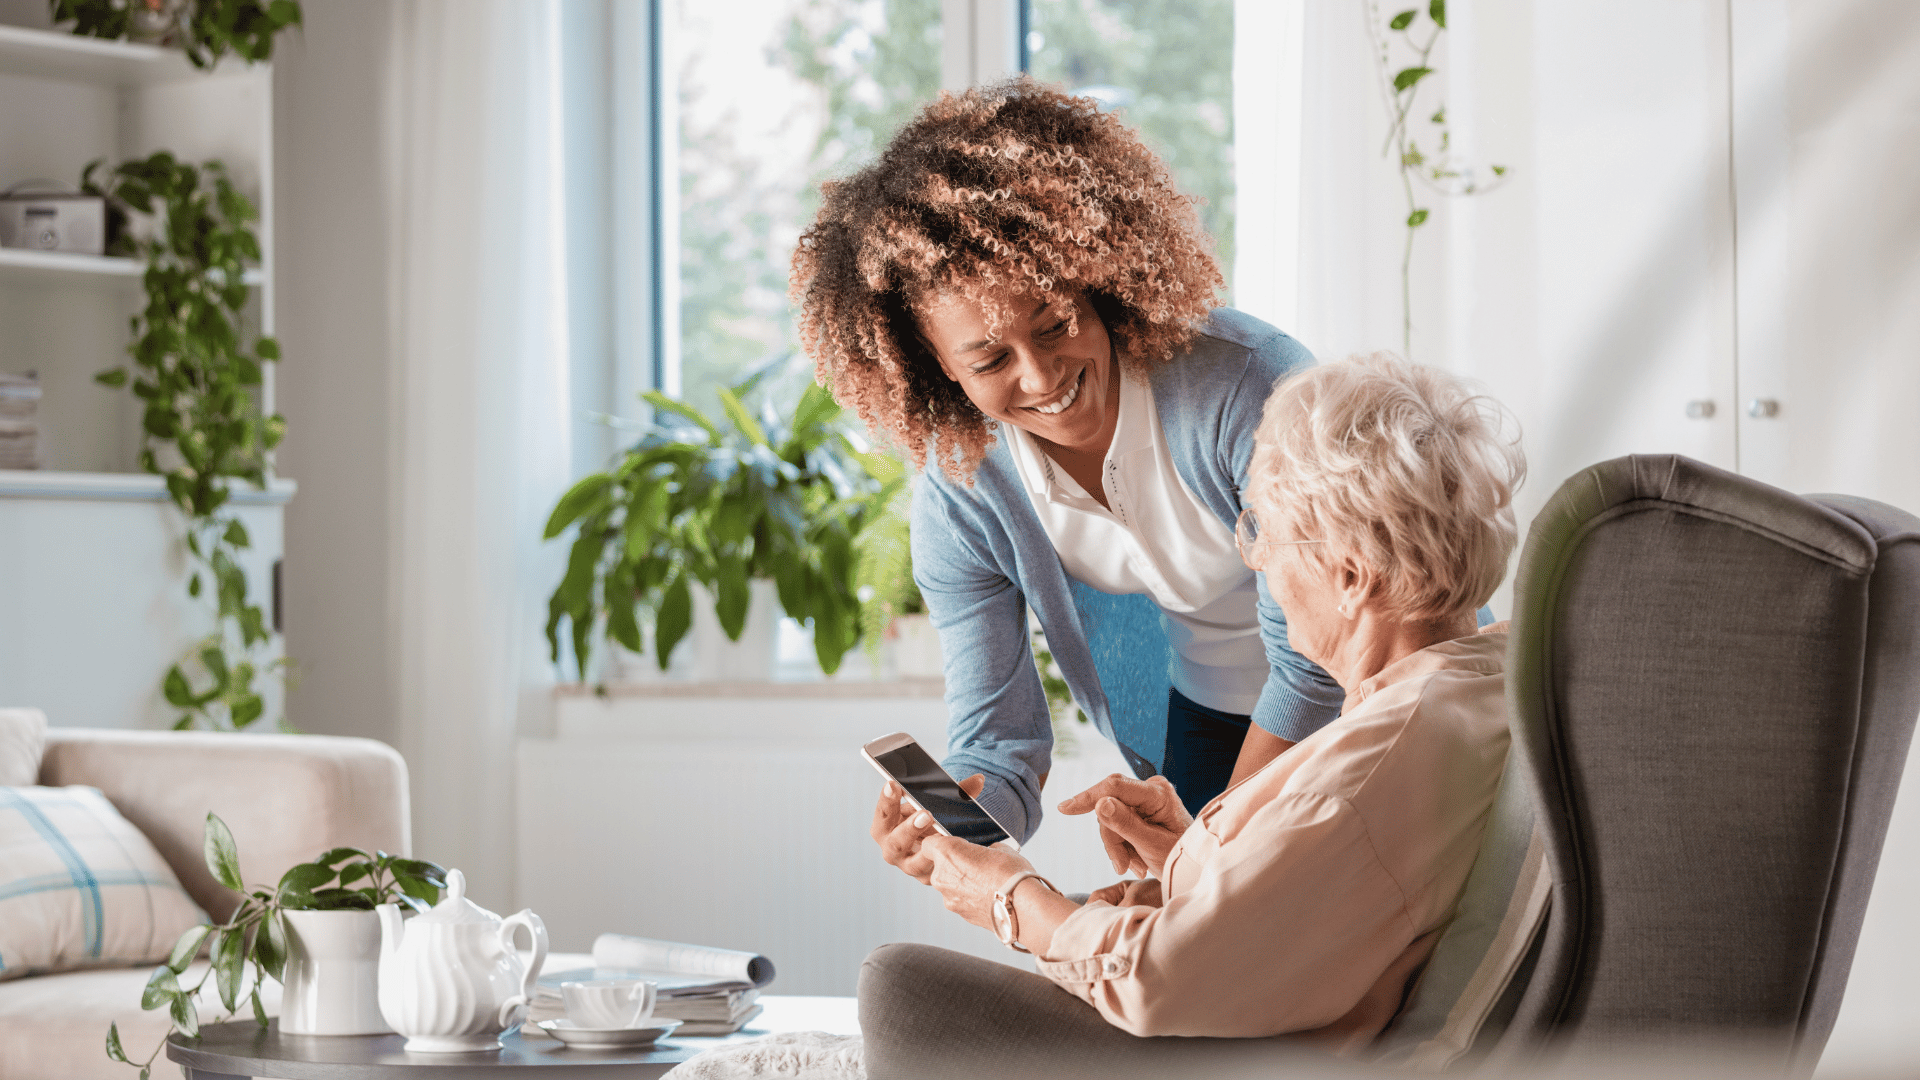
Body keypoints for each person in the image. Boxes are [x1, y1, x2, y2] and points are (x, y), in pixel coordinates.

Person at [858, 353, 1527, 1070]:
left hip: (1256, 1053)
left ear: (1351, 576)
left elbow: (1157, 976)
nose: (1259, 562)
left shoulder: (1362, 776)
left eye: (1264, 534)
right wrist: (1194, 854)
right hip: (1272, 1000)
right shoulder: (1478, 686)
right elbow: (1322, 899)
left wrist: (1008, 897)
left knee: (900, 987)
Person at [791, 77, 1343, 847]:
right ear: (935, 366)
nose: (1042, 376)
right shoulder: (966, 496)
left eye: (1054, 325)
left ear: (1092, 281)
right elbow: (1001, 742)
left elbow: (1322, 653)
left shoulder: (1245, 385)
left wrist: (1214, 843)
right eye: (989, 361)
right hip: (1211, 725)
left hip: (1364, 698)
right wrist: (959, 828)